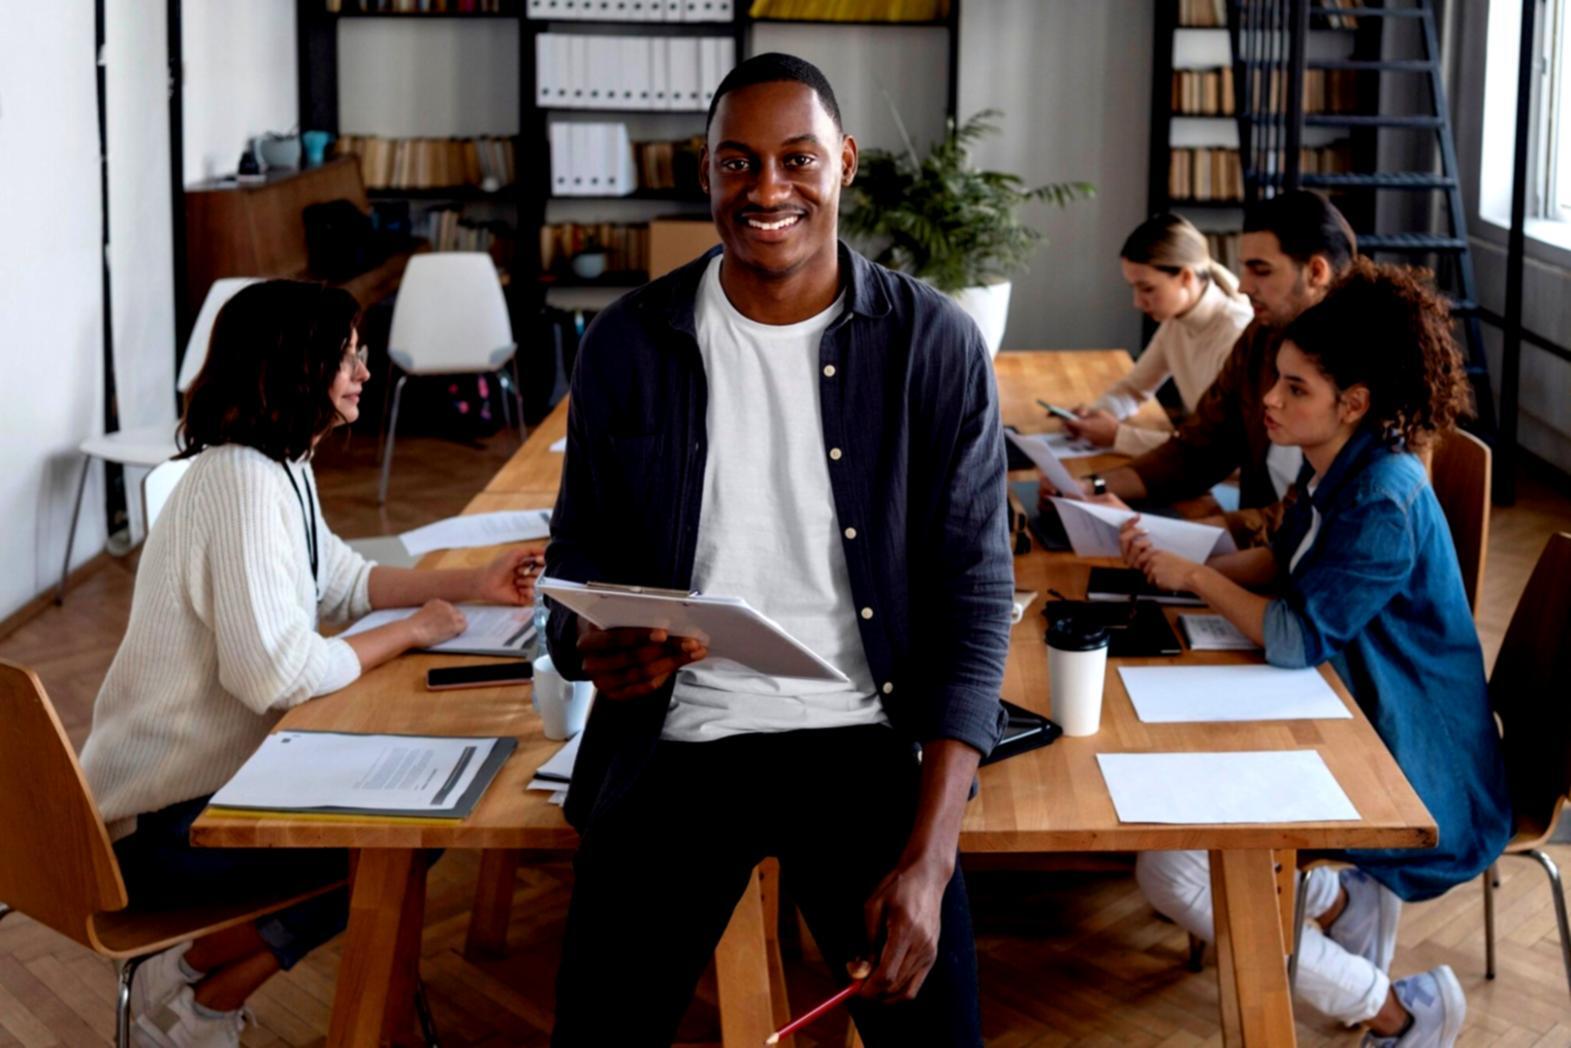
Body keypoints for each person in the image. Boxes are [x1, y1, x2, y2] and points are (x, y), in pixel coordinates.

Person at [541, 53, 1011, 1045]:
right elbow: (576, 561)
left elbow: (971, 604)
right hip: (677, 739)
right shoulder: (626, 341)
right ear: (703, 170)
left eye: (797, 158)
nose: (766, 190)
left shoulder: (933, 345)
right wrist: (590, 645)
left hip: (864, 741)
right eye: (736, 163)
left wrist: (929, 862)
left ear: (844, 163)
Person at [77, 280, 544, 1048]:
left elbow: (341, 582)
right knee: (401, 841)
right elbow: (280, 677)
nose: (363, 372)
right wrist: (411, 631)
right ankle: (195, 988)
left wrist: (473, 582)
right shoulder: (240, 481)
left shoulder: (279, 466)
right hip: (161, 826)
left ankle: (193, 988)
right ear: (294, 367)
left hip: (214, 790)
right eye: (345, 357)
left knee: (415, 830)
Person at [1119, 260, 1510, 1047]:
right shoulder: (1341, 460)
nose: (1269, 398)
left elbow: (1295, 638)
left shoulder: (1381, 497)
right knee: (1173, 829)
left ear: (1352, 402)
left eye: (1294, 387)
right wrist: (1175, 566)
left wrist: (1196, 577)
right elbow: (1281, 560)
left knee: (1170, 868)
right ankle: (1342, 901)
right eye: (1278, 379)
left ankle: (1402, 1012)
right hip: (1348, 713)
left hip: (1407, 760)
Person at [1046, 190, 1356, 547]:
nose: (1243, 285)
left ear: (1316, 272)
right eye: (1244, 268)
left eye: (1261, 270)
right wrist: (1092, 487)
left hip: (1293, 565)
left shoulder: (1362, 374)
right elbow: (1200, 447)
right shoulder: (1260, 336)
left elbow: (1298, 522)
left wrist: (1162, 535)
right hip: (1255, 553)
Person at [1061, 213, 1252, 457]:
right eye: (1134, 288)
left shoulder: (1236, 335)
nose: (1137, 302)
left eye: (1147, 289)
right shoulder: (1177, 320)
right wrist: (1098, 414)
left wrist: (1119, 436)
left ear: (1186, 277)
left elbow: (1224, 451)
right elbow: (1134, 388)